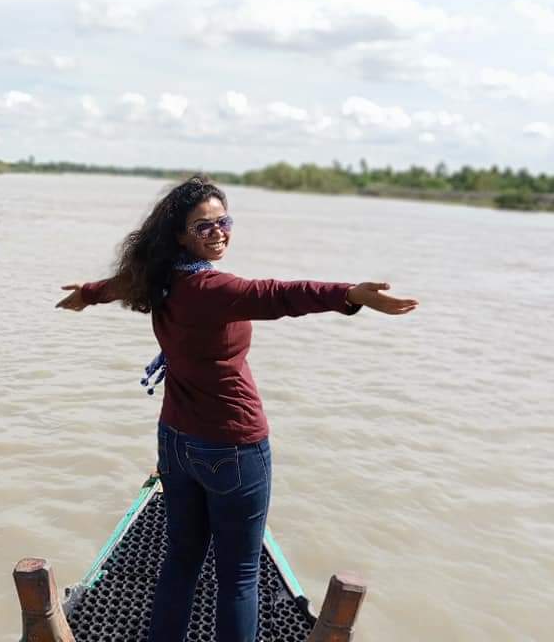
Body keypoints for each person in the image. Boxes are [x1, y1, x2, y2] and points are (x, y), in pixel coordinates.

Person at [56, 175, 418, 642]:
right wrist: (351, 295)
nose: (219, 232)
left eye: (224, 221)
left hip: (176, 442)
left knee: (181, 560)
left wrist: (86, 294)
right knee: (239, 577)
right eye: (204, 227)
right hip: (232, 445)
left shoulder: (162, 277)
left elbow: (123, 284)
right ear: (180, 235)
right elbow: (280, 294)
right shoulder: (212, 288)